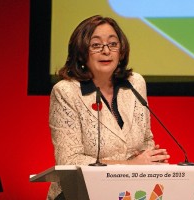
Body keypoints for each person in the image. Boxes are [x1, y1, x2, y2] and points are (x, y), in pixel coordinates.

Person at [47, 15, 170, 200]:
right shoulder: (66, 92)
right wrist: (130, 165)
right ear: (81, 52)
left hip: (128, 193)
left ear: (121, 51)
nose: (106, 51)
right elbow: (69, 161)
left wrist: (152, 158)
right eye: (96, 45)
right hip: (79, 193)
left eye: (113, 44)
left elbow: (145, 140)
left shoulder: (135, 84)